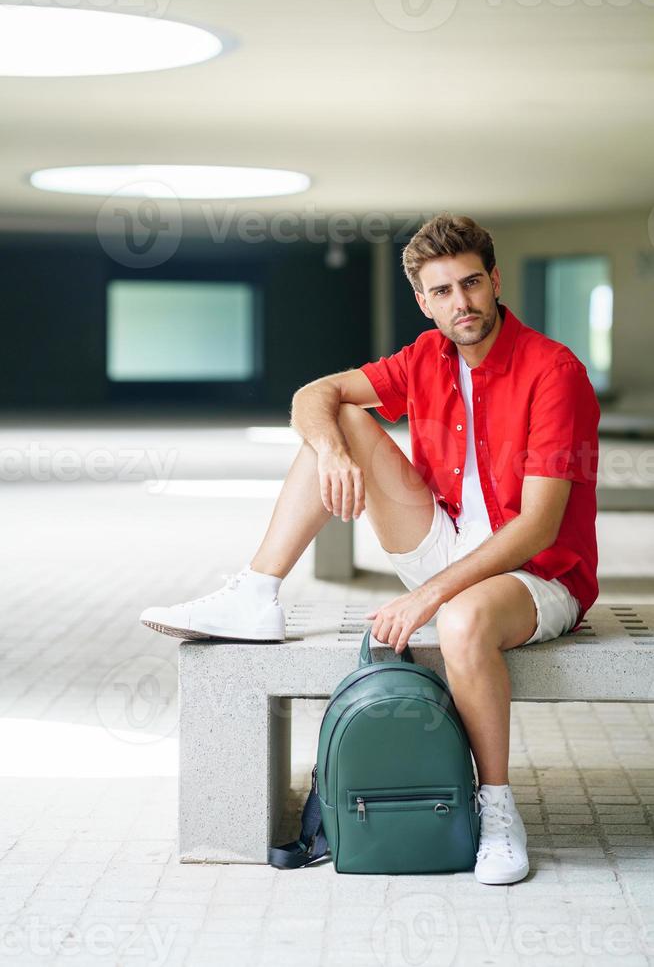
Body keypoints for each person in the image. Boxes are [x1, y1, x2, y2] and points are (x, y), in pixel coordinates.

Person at [140, 212, 600, 886]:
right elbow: (314, 395)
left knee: (465, 619)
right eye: (442, 292)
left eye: (472, 284)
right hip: (442, 542)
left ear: (495, 280)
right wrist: (332, 451)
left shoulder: (552, 371)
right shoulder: (425, 357)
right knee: (342, 421)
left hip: (534, 575)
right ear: (423, 300)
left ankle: (496, 807)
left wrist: (429, 596)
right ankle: (255, 593)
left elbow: (535, 527)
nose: (461, 304)